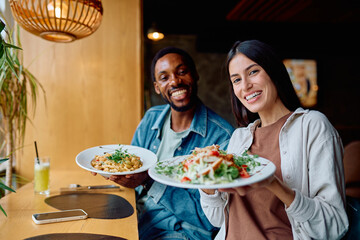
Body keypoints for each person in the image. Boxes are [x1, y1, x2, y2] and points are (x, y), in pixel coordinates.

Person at [199, 40, 349, 240]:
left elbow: (335, 226)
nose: (245, 86)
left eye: (253, 72)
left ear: (274, 72)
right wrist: (205, 183)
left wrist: (275, 185)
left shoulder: (312, 126)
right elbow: (220, 220)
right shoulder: (239, 138)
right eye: (236, 80)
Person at [97, 47, 235, 240]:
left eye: (181, 72)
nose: (175, 81)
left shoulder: (223, 137)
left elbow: (210, 218)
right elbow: (131, 177)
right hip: (137, 219)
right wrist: (116, 174)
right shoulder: (150, 119)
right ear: (157, 87)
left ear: (195, 75)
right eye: (164, 77)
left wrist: (148, 180)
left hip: (182, 233)